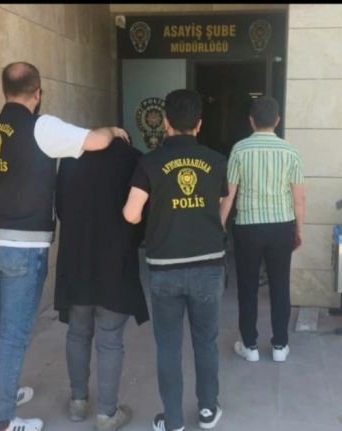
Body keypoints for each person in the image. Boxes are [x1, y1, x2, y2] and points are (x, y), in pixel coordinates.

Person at [0, 61, 129, 431]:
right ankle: (3, 421)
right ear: (38, 92)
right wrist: (113, 129)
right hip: (21, 244)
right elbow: (96, 141)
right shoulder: (41, 126)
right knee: (14, 333)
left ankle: (6, 394)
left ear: (4, 91)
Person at [123, 89, 228, 431]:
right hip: (209, 265)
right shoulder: (216, 161)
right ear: (199, 124)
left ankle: (173, 421)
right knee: (206, 341)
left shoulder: (149, 162)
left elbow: (131, 214)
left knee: (168, 347)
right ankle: (208, 410)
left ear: (166, 122)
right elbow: (221, 204)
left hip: (165, 268)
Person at [54, 136, 149, 431]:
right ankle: (107, 414)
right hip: (115, 263)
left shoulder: (70, 157)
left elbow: (60, 209)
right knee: (110, 340)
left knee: (77, 332)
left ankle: (77, 402)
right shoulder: (135, 159)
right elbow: (140, 216)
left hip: (77, 259)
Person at [219, 96, 306, 363]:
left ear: (251, 121)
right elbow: (299, 199)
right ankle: (280, 346)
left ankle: (250, 346)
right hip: (281, 226)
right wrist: (298, 230)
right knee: (280, 286)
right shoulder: (291, 151)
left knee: (247, 287)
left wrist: (219, 227)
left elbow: (228, 196)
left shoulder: (240, 149)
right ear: (277, 121)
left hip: (248, 227)